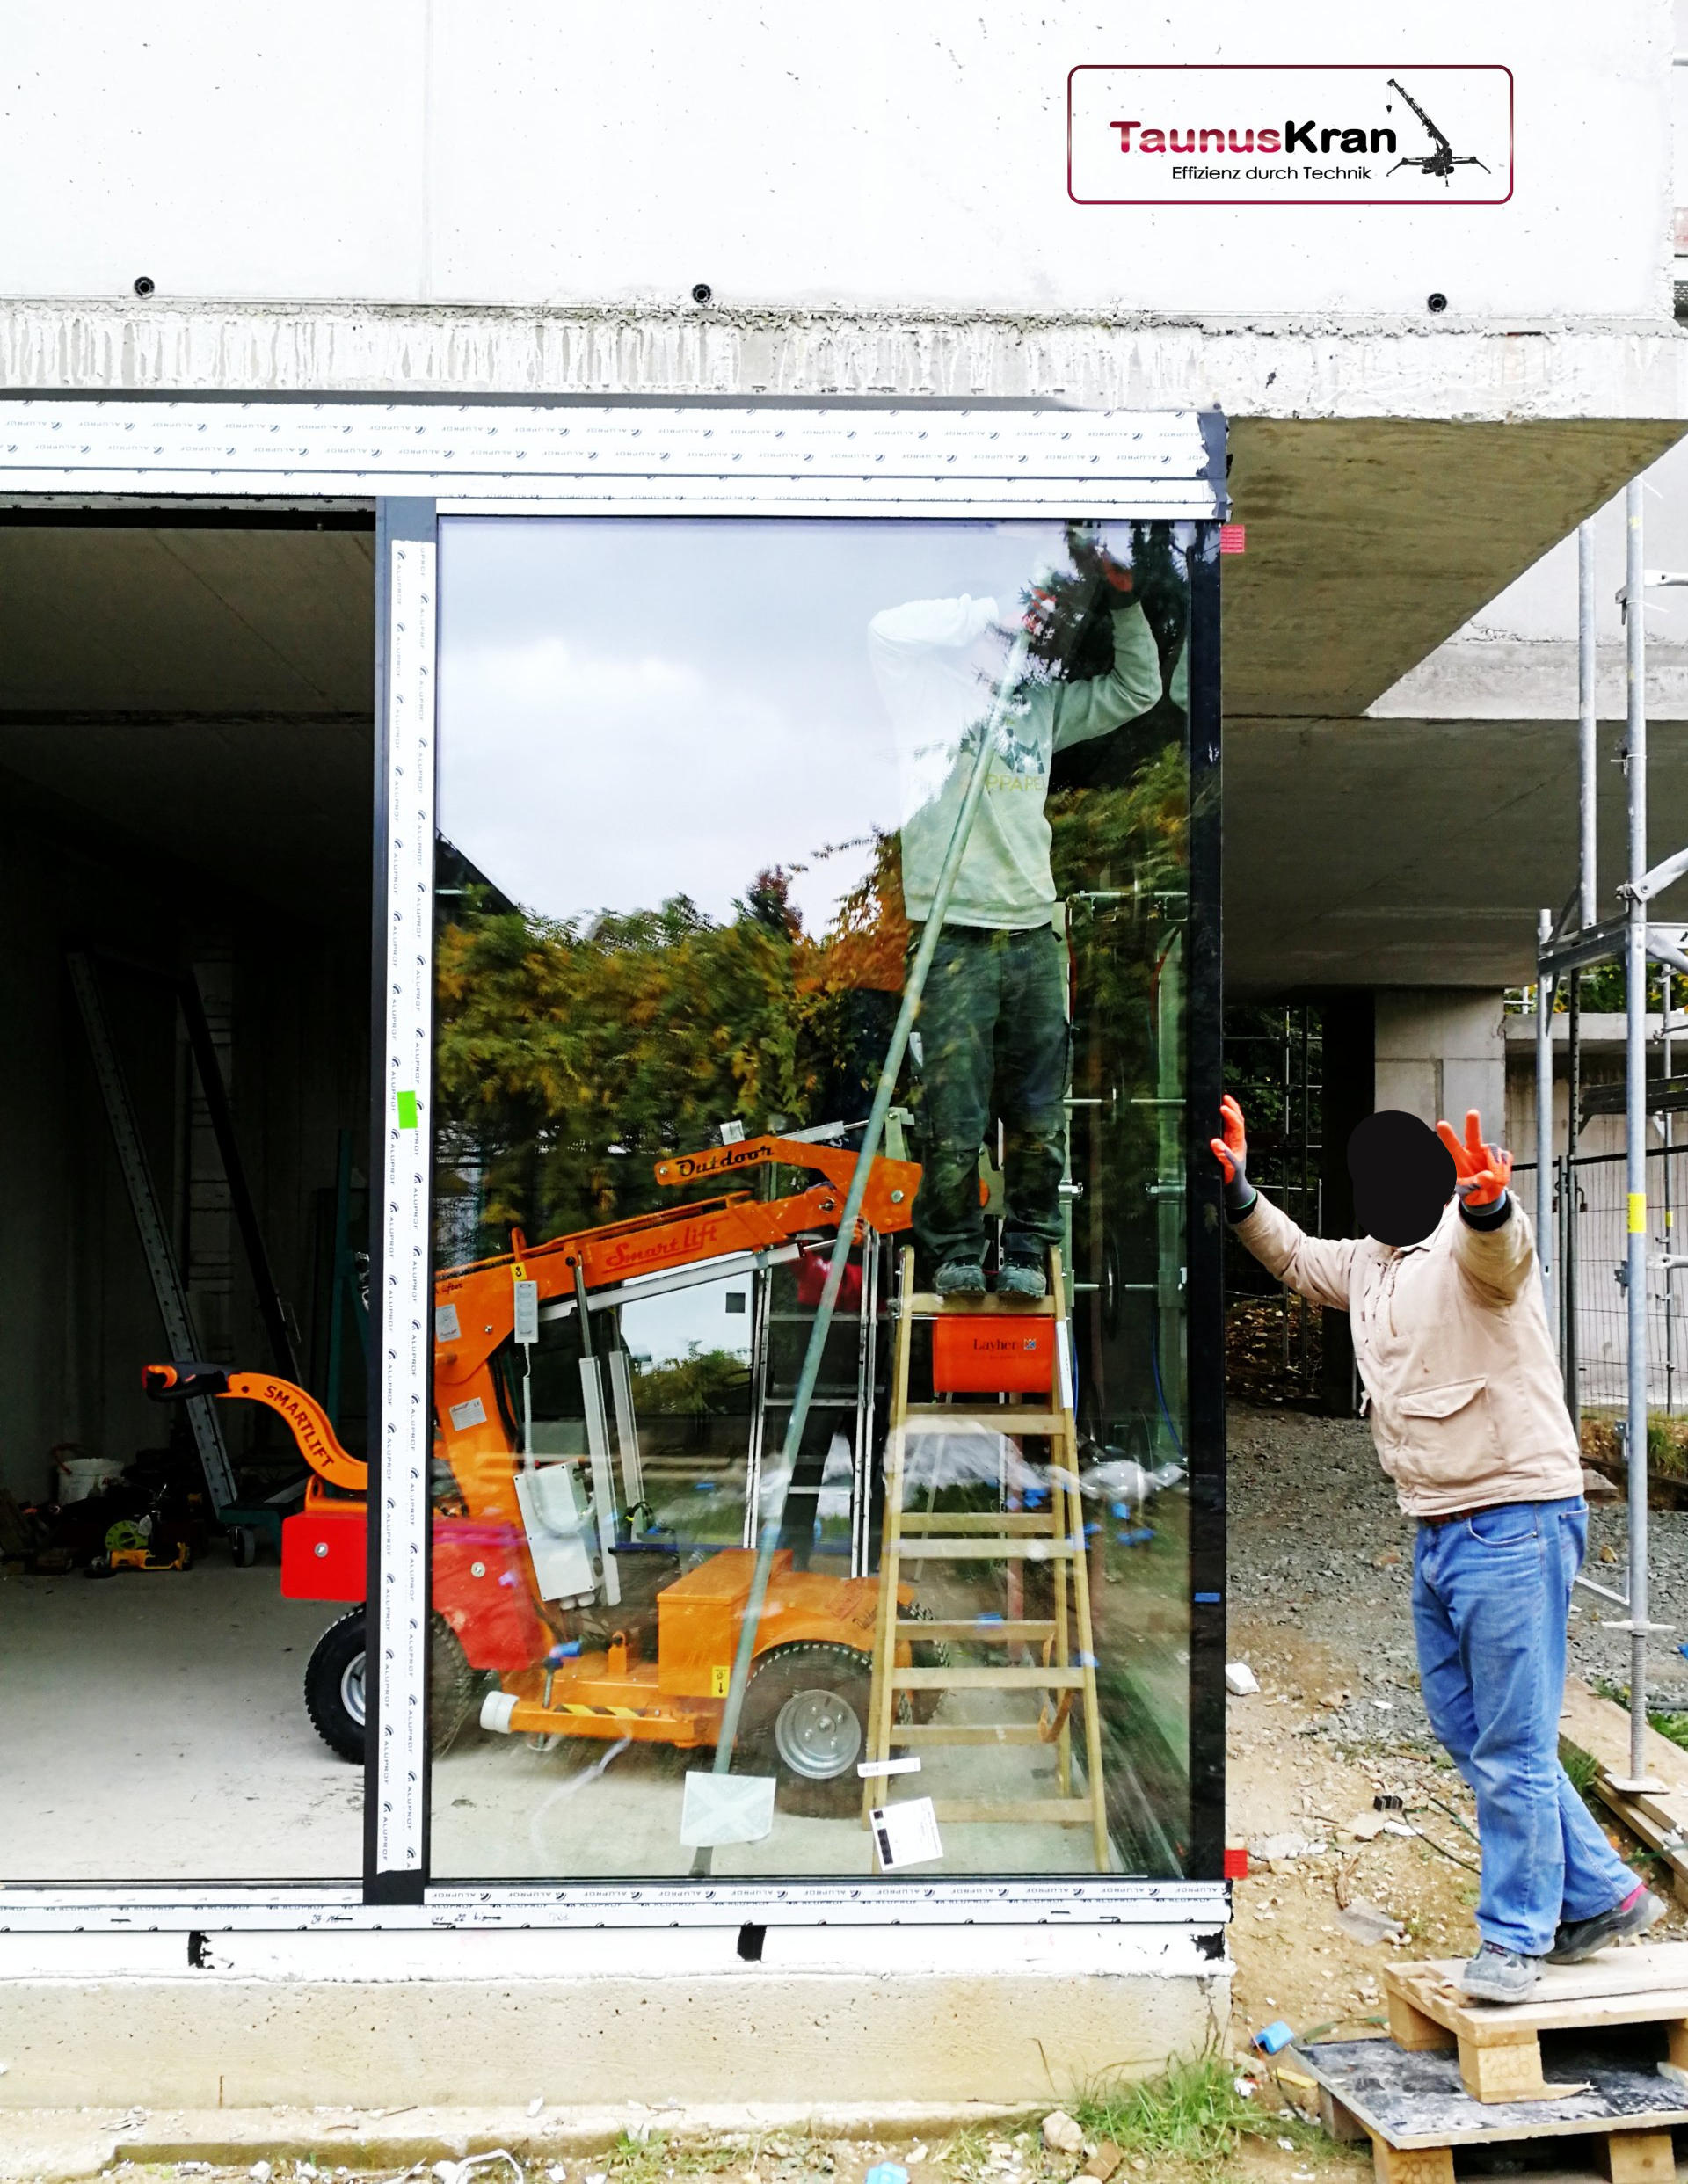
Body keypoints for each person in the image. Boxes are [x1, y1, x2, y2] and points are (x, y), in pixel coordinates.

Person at [1211, 1096, 1661, 2003]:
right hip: (1440, 1523)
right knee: (1468, 1727)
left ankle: (1517, 1939)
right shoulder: (1371, 1263)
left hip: (1514, 1516)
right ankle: (1602, 1893)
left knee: (1513, 1744)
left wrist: (1489, 1203)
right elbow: (1296, 1258)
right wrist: (1241, 1192)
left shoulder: (1467, 1243)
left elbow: (1505, 1253)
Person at [869, 548, 1163, 1299]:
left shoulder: (1040, 704)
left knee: (1037, 1114)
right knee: (954, 1114)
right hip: (952, 935)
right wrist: (986, 613)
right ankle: (954, 1250)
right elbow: (885, 631)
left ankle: (1029, 1247)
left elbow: (1139, 689)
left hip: (1031, 932)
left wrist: (1125, 604)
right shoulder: (924, 696)